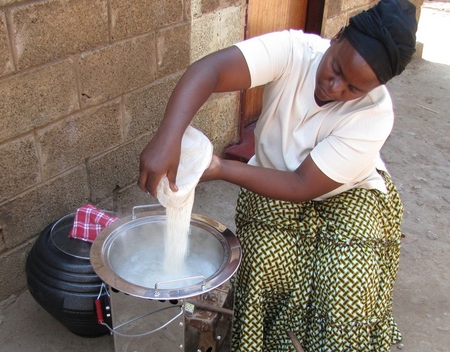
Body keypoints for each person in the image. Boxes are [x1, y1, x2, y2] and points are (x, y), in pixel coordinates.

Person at [138, 0, 417, 350]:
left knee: (349, 279)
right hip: (270, 179)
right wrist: (169, 136)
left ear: (373, 89)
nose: (335, 87)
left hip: (347, 191)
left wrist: (222, 169)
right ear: (338, 36)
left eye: (353, 89)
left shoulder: (374, 115)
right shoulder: (294, 52)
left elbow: (303, 184)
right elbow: (210, 71)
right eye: (336, 69)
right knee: (266, 262)